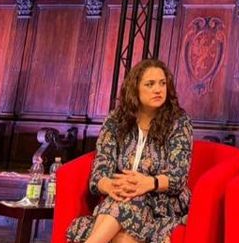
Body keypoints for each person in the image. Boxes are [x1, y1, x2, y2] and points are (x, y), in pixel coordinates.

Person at [67, 59, 193, 243]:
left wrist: (147, 183)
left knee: (123, 206)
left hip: (163, 201)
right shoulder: (115, 121)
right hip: (122, 197)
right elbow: (100, 171)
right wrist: (110, 186)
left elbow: (178, 177)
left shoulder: (179, 122)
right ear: (135, 89)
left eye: (162, 83)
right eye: (150, 84)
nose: (158, 89)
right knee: (123, 229)